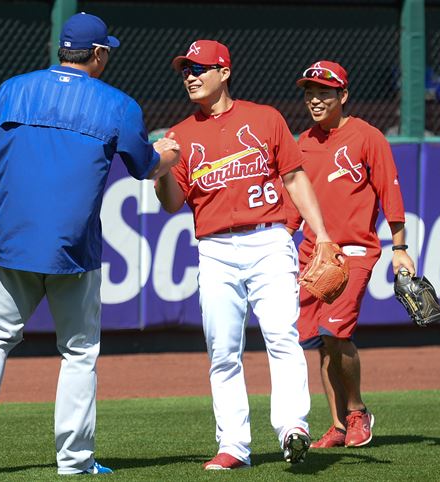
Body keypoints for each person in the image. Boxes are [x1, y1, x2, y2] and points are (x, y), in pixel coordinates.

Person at [0, 12, 180, 477]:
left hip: (13, 242)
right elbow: (145, 166)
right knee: (78, 352)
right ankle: (74, 461)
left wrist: (10, 214)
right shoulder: (118, 104)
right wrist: (169, 153)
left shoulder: (12, 88)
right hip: (74, 250)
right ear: (98, 54)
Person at [155, 40, 339, 470]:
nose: (191, 76)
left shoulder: (264, 118)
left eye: (200, 68)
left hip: (269, 240)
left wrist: (324, 235)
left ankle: (293, 429)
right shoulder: (180, 135)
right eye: (185, 70)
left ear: (224, 72)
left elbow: (294, 179)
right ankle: (234, 445)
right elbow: (170, 203)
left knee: (281, 335)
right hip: (215, 249)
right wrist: (161, 169)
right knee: (222, 350)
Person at [286, 60, 416, 449]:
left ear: (343, 95)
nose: (315, 100)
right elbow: (293, 201)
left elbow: (390, 193)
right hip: (312, 254)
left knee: (335, 331)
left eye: (324, 92)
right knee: (321, 344)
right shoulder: (302, 142)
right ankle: (339, 426)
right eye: (310, 93)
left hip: (355, 252)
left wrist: (400, 249)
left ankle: (357, 410)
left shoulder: (367, 137)